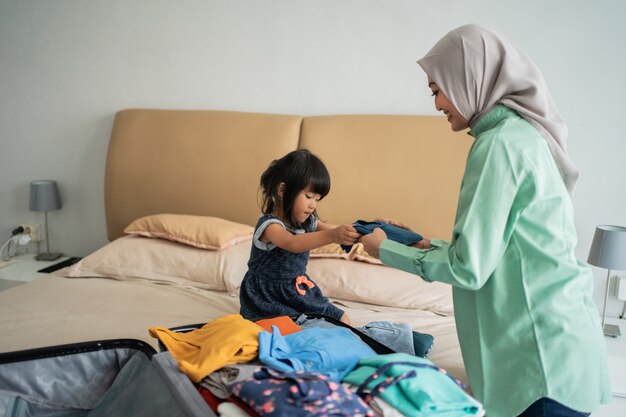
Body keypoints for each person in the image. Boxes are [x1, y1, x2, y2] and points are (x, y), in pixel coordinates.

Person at [360, 24, 610, 417]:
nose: (437, 103)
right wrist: (422, 243)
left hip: (537, 364)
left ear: (468, 79)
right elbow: (505, 247)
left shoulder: (498, 147)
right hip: (563, 350)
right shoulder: (523, 135)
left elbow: (469, 268)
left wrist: (382, 250)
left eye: (437, 89)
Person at [239, 149, 360, 325]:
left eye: (317, 199)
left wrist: (364, 229)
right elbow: (292, 242)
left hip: (297, 290)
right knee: (289, 331)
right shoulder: (269, 225)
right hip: (266, 296)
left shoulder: (307, 221)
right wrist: (333, 235)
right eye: (309, 196)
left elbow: (335, 229)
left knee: (342, 319)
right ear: (282, 190)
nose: (313, 205)